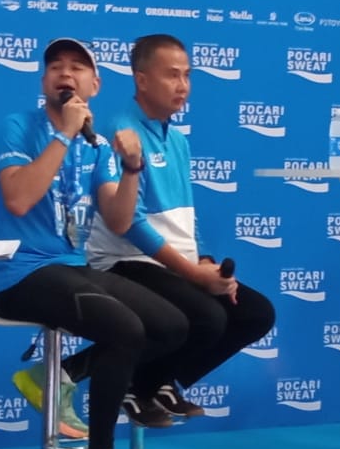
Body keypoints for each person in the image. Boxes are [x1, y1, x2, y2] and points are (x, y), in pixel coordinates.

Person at [0, 37, 188, 449]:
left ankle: (52, 378)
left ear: (94, 85)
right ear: (43, 81)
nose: (65, 74)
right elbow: (18, 199)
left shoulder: (95, 146)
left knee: (171, 325)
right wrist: (62, 135)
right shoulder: (18, 128)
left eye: (77, 68)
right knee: (125, 329)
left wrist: (132, 167)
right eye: (55, 66)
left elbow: (118, 218)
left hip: (73, 267)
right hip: (17, 273)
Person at [87, 33, 276, 426]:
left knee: (256, 314)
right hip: (126, 261)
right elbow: (131, 224)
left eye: (187, 75)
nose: (183, 85)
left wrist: (203, 260)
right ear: (142, 80)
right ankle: (132, 384)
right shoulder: (121, 132)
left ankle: (156, 381)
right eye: (172, 75)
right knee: (207, 317)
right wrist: (192, 274)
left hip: (170, 263)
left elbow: (187, 211)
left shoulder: (176, 138)